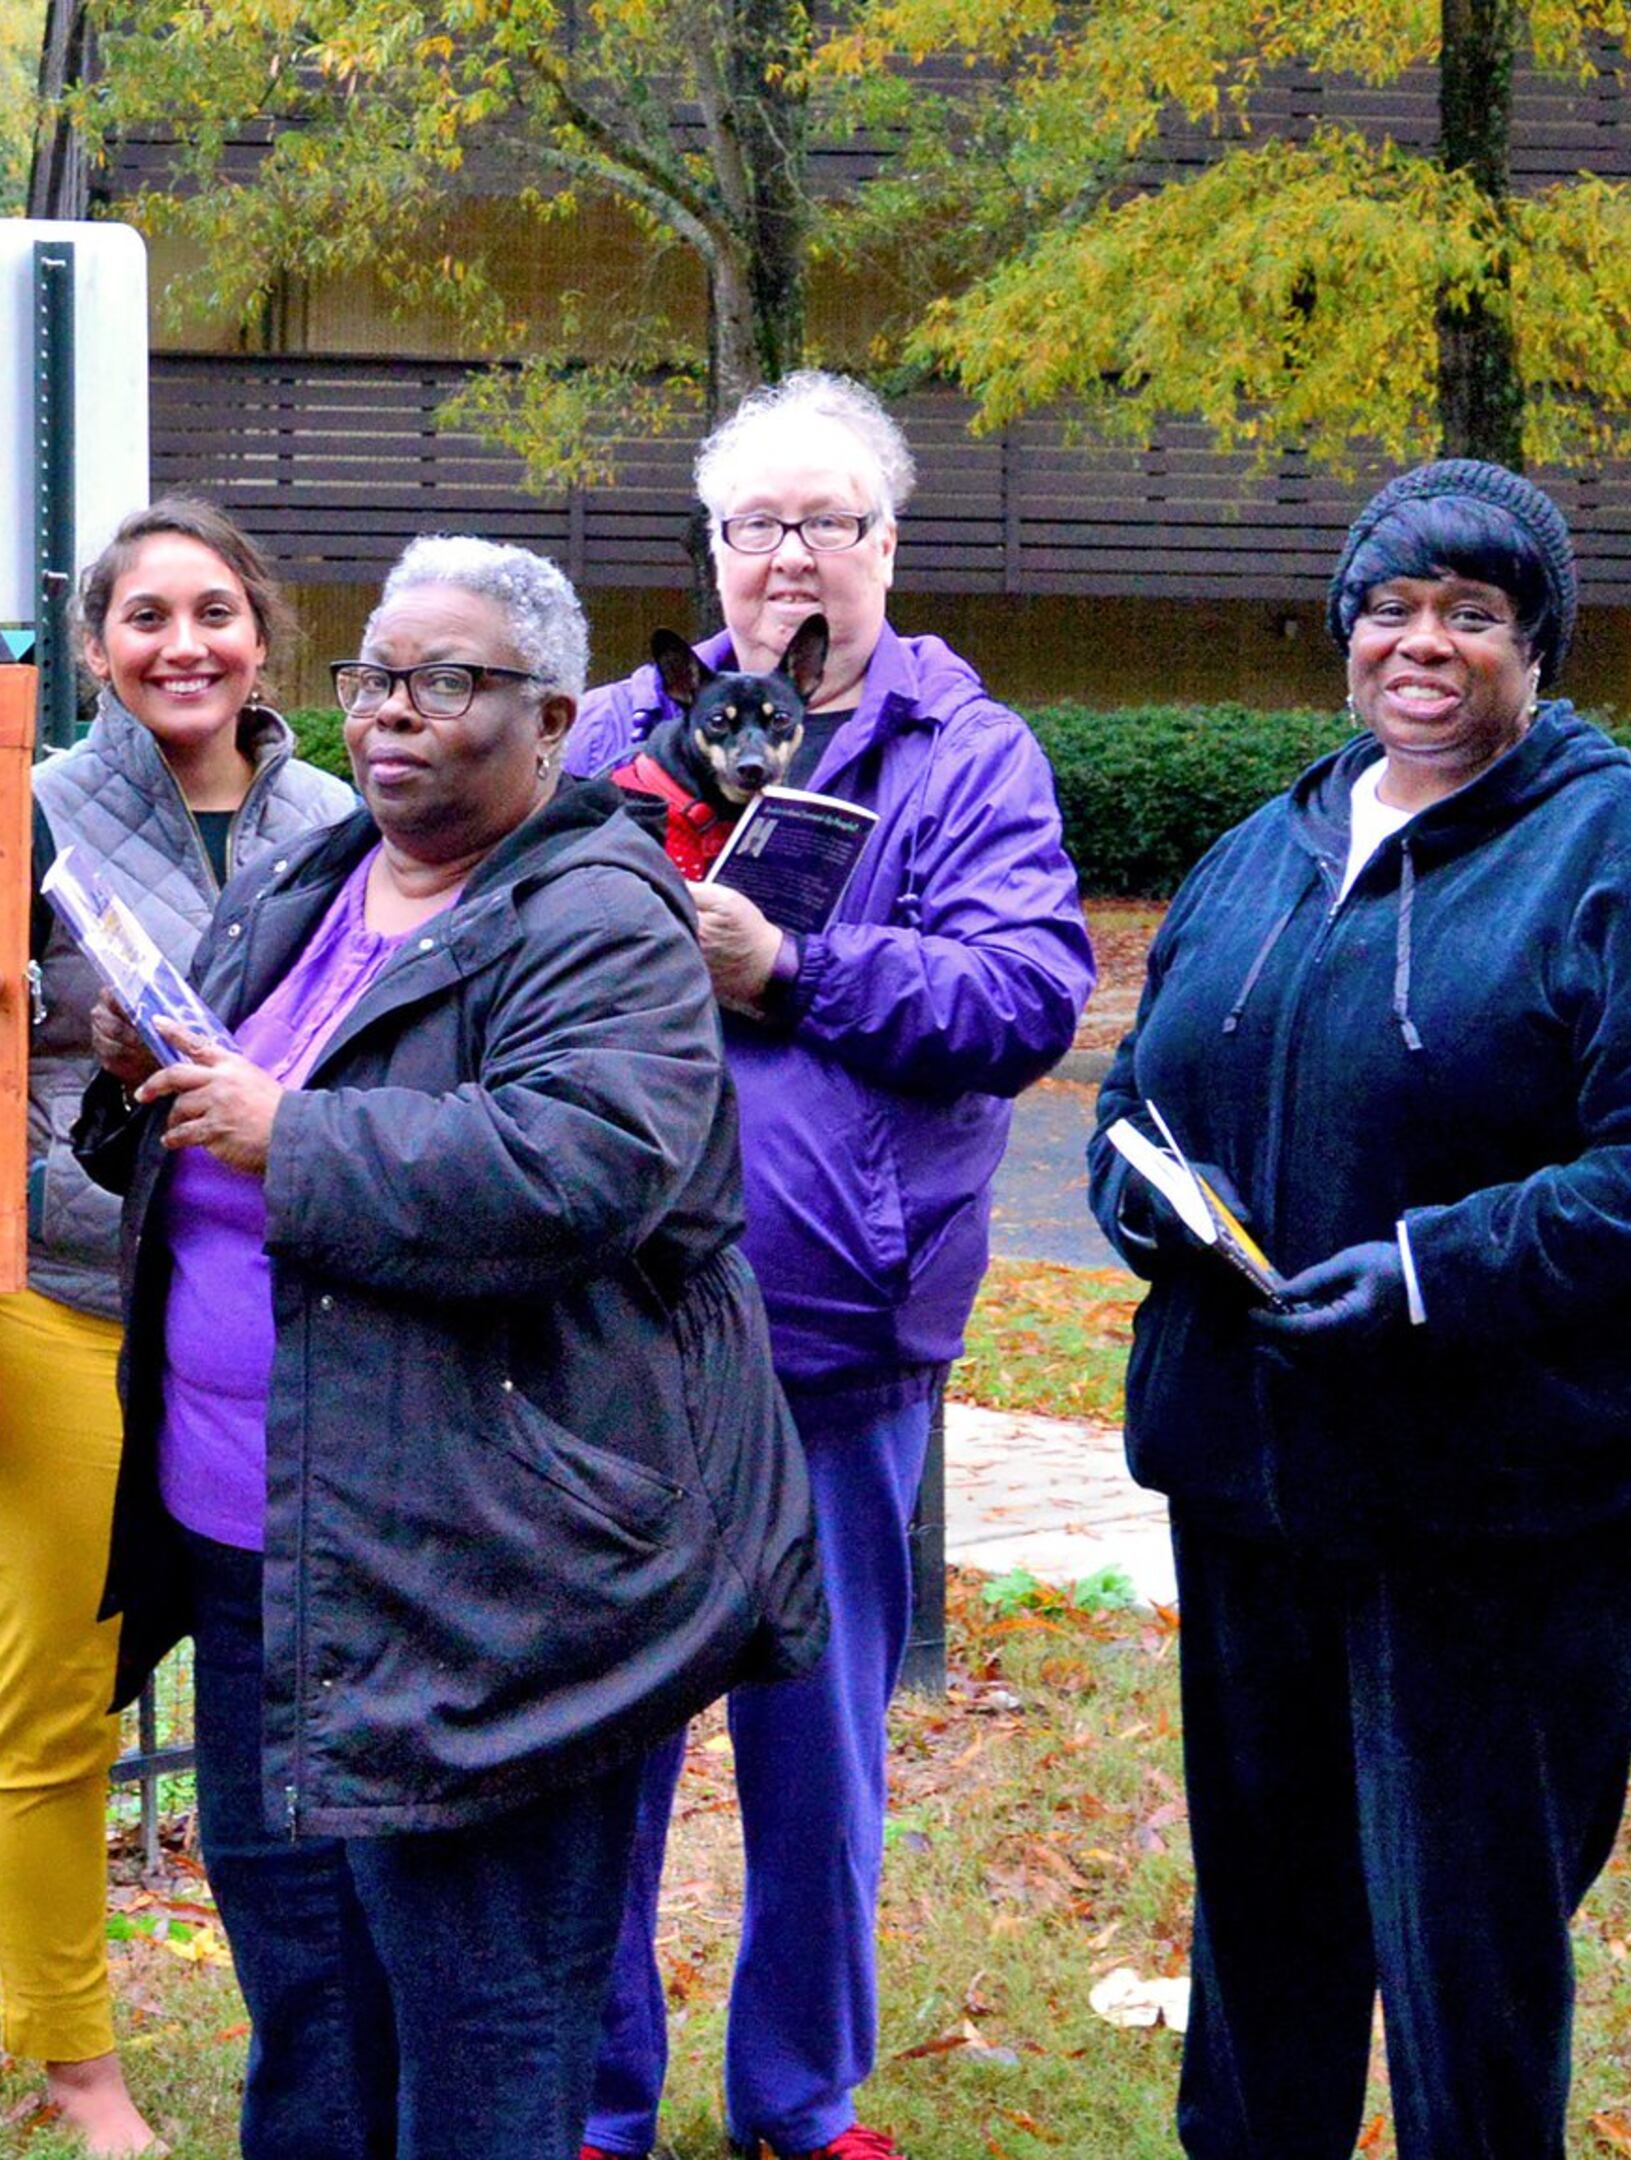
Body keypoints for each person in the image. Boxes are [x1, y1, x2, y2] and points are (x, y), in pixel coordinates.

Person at [80, 534, 807, 2159]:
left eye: (451, 682)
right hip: (263, 1548)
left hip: (486, 1573)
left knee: (484, 2034)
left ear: (551, 717)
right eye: (378, 679)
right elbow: (213, 1122)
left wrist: (297, 1136)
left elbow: (587, 1168)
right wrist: (149, 1083)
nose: (398, 713)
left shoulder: (607, 912)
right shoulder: (308, 873)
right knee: (313, 2012)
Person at [1090, 460, 1631, 2158]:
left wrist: (1426, 1273)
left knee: (1465, 1926)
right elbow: (1142, 1081)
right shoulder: (1275, 839)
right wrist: (1136, 1190)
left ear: (1534, 645)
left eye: (1473, 613)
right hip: (1254, 1471)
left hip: (1501, 1496)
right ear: (1344, 634)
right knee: (1265, 1895)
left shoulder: (1617, 848)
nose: (1424, 644)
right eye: (1390, 607)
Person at [571, 371, 1095, 2160]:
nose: (787, 559)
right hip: (614, 1321)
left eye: (825, 522)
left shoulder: (970, 755)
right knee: (596, 1741)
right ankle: (591, 2096)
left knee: (820, 1753)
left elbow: (1025, 999)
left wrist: (789, 971)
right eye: (751, 526)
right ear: (707, 553)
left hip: (836, 1324)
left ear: (888, 541)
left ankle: (802, 2097)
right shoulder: (605, 742)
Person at [0, 498, 353, 2153]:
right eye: (145, 618)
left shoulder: (341, 820)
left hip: (270, 1321)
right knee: (58, 1700)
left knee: (290, 1702)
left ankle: (327, 2044)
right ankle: (82, 2076)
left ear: (262, 633)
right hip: (63, 1303)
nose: (184, 646)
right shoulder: (23, 815)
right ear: (93, 651)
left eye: (214, 612)